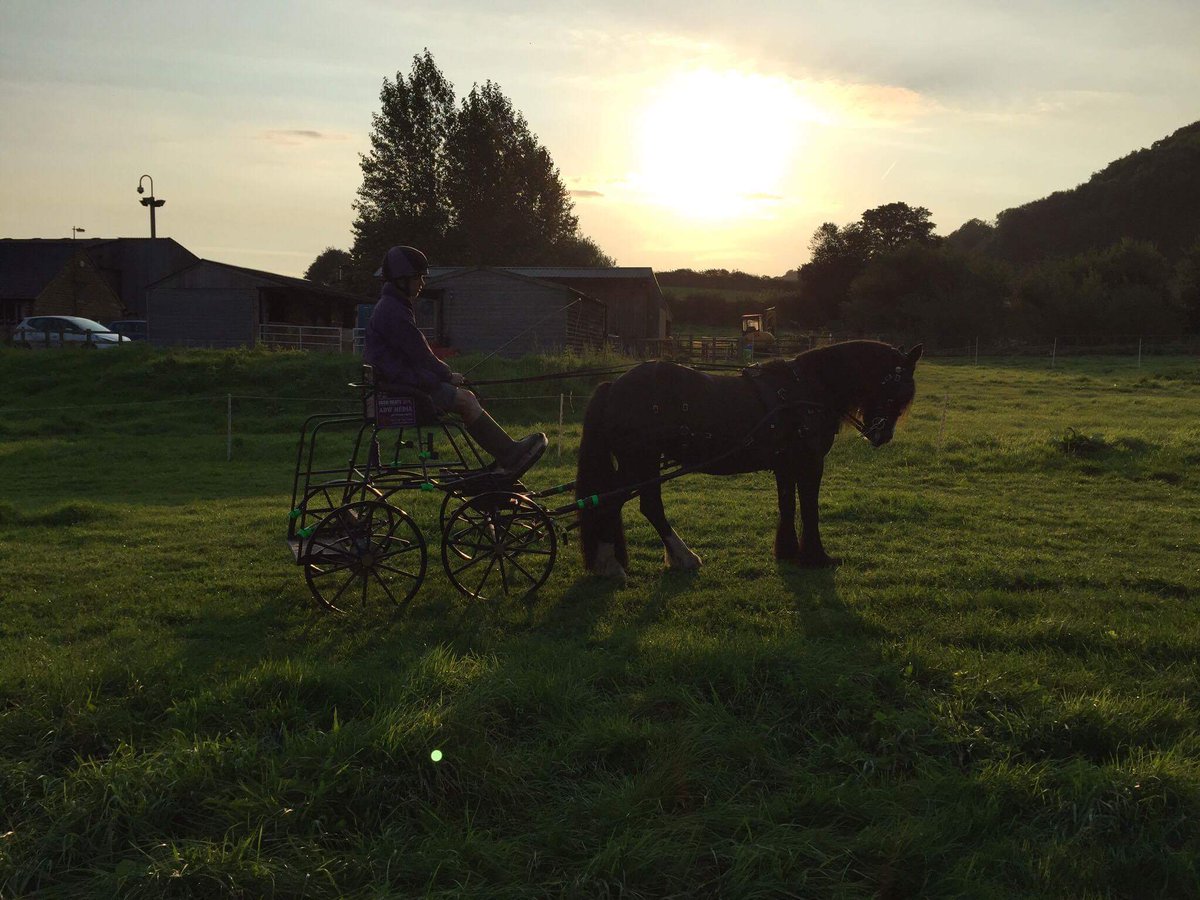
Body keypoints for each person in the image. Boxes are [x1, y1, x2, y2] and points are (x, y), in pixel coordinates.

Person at [363, 245, 547, 477]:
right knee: (467, 401)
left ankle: (505, 454)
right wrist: (447, 376)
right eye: (418, 277)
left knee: (465, 397)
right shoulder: (394, 312)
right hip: (403, 391)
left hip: (398, 386)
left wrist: (442, 378)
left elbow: (412, 359)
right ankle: (510, 454)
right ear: (402, 279)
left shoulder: (392, 307)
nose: (422, 283)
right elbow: (420, 354)